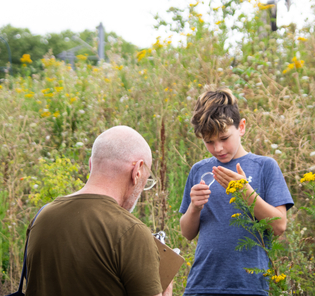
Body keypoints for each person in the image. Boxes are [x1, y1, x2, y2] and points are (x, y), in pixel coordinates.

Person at [25, 126, 172, 296]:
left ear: (90, 164)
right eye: (146, 181)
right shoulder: (131, 232)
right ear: (137, 171)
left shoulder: (41, 217)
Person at [179, 88, 294, 295]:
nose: (218, 148)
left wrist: (245, 192)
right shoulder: (199, 170)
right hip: (201, 285)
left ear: (241, 127)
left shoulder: (265, 167)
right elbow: (187, 233)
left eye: (224, 138)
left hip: (249, 286)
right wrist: (194, 208)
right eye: (209, 142)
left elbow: (279, 225)